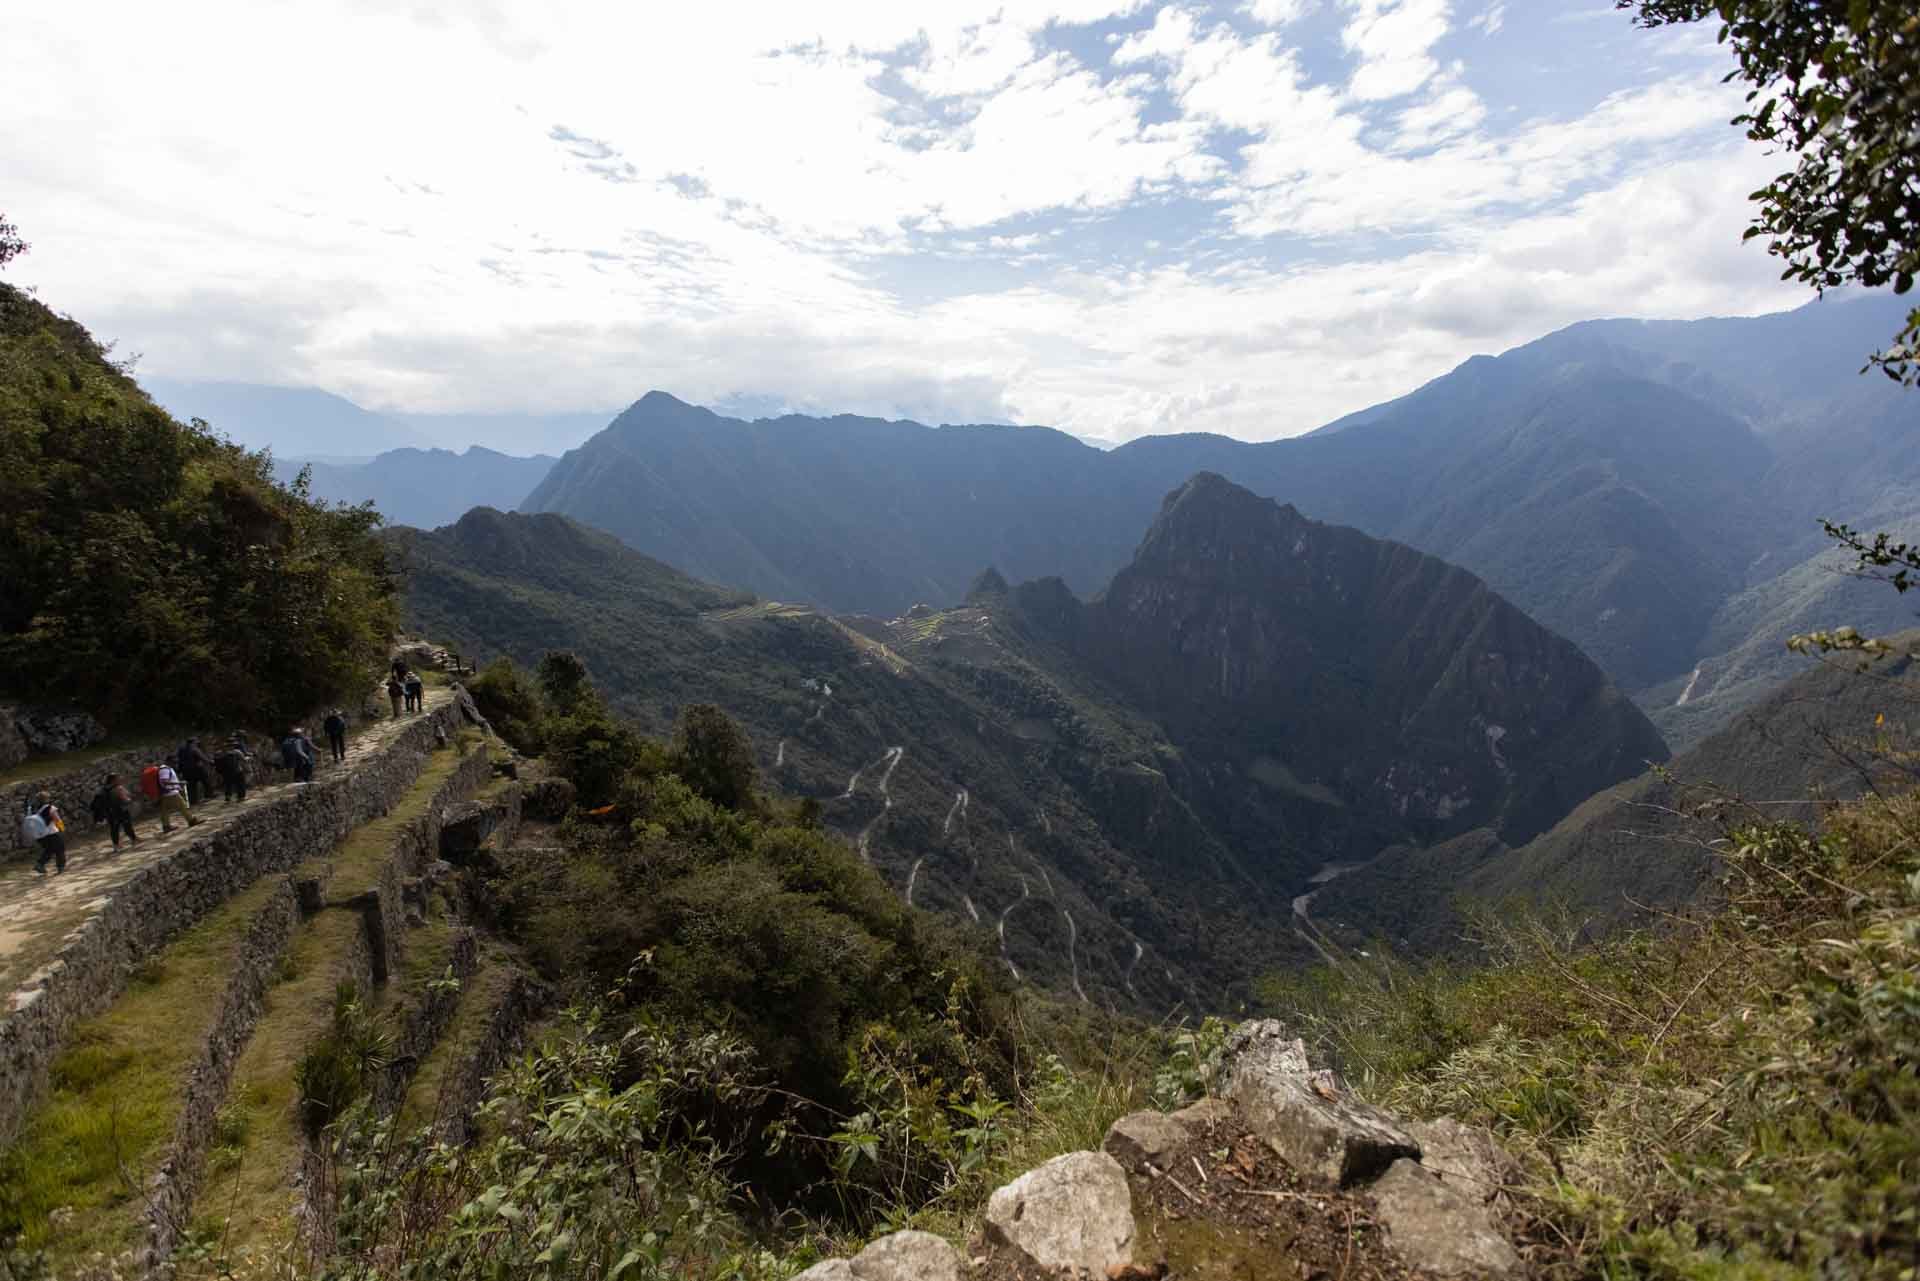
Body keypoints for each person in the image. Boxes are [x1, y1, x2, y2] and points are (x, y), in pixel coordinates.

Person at [90, 773, 139, 850]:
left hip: (110, 812)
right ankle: (134, 839)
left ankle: (116, 845)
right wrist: (130, 800)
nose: (120, 779)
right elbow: (125, 799)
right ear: (113, 780)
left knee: (114, 829)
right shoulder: (118, 788)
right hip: (121, 810)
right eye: (118, 778)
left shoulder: (103, 789)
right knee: (127, 825)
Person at [155, 758, 200, 832]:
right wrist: (179, 783)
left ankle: (166, 826)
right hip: (171, 793)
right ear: (169, 761)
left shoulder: (166, 769)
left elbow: (169, 781)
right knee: (183, 806)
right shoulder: (165, 770)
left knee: (165, 811)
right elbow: (164, 782)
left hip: (166, 793)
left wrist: (178, 787)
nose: (175, 764)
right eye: (174, 762)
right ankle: (191, 820)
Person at [27, 791, 67, 874]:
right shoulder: (50, 808)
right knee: (60, 849)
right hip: (51, 833)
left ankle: (39, 864)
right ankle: (60, 867)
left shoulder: (31, 809)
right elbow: (57, 820)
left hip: (39, 836)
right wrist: (62, 829)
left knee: (49, 849)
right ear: (46, 799)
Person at [216, 736, 253, 803]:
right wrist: (249, 757)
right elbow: (244, 760)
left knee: (228, 785)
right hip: (237, 771)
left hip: (226, 772)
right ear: (234, 744)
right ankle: (241, 797)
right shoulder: (237, 751)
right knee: (240, 784)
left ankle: (228, 797)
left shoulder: (222, 752)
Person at [179, 737, 216, 804]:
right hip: (196, 769)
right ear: (193, 742)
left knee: (191, 786)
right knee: (206, 781)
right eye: (196, 742)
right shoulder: (194, 749)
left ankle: (193, 800)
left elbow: (179, 761)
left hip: (186, 772)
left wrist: (180, 770)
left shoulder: (181, 750)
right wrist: (210, 762)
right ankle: (209, 795)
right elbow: (202, 757)